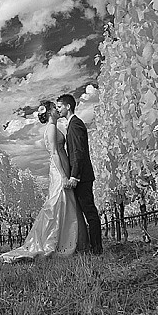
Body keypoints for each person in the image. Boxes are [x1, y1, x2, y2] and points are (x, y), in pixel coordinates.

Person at [0, 101, 81, 263]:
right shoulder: (50, 129)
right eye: (54, 109)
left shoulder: (55, 128)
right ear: (50, 112)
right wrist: (63, 176)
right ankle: (54, 242)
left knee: (63, 202)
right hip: (58, 169)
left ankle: (65, 239)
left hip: (62, 166)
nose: (57, 110)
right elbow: (54, 153)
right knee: (57, 201)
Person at [56, 93, 103, 255]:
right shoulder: (73, 124)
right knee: (87, 211)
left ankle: (97, 250)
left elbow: (78, 152)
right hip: (82, 175)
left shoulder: (75, 125)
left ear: (68, 106)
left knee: (90, 212)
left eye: (60, 106)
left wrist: (75, 176)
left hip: (82, 177)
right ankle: (92, 247)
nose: (58, 109)